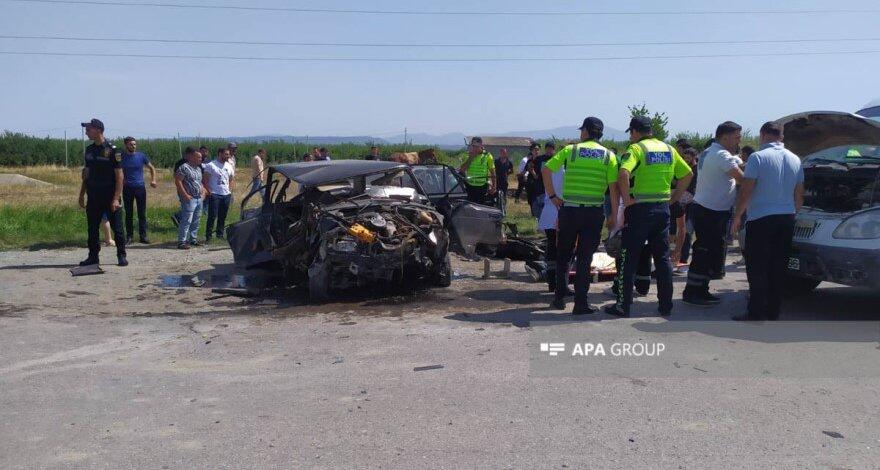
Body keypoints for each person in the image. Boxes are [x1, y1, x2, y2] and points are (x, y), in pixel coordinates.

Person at [605, 116, 693, 318]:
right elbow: (687, 174)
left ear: (635, 131)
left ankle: (622, 306)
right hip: (662, 209)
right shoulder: (669, 149)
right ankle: (665, 306)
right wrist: (674, 198)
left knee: (628, 257)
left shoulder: (636, 149)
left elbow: (623, 174)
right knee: (662, 258)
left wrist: (626, 201)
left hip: (639, 210)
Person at [542, 117, 620, 315]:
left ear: (585, 131)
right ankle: (581, 303)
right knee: (585, 259)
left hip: (569, 210)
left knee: (563, 255)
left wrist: (552, 196)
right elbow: (613, 189)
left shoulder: (571, 150)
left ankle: (559, 298)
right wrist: (613, 215)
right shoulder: (609, 156)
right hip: (593, 213)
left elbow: (546, 169)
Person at [731, 122, 804, 321]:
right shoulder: (795, 159)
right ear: (781, 136)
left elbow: (747, 190)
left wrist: (737, 216)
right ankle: (773, 311)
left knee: (757, 267)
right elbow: (799, 194)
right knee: (778, 266)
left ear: (762, 134)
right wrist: (792, 213)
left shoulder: (757, 157)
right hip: (786, 217)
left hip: (761, 218)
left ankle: (756, 312)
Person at [682, 121, 744, 306]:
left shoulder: (710, 151)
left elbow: (737, 162)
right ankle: (693, 292)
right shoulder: (722, 155)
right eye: (736, 137)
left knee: (705, 251)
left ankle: (701, 289)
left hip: (705, 208)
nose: (738, 141)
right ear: (724, 137)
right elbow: (742, 178)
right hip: (712, 212)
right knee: (705, 252)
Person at [77, 118, 127, 267]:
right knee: (92, 228)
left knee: (117, 228)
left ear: (98, 130)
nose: (86, 132)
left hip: (110, 195)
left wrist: (116, 198)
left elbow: (120, 176)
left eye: (89, 129)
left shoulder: (113, 150)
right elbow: (86, 174)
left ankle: (121, 255)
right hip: (93, 196)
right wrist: (81, 194)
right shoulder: (89, 150)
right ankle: (93, 257)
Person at [120, 136, 157, 244]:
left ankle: (143, 236)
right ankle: (129, 236)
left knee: (142, 213)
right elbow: (117, 171)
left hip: (140, 187)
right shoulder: (122, 157)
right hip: (127, 188)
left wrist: (153, 180)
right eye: (131, 144)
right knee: (129, 213)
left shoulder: (141, 156)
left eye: (135, 144)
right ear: (126, 145)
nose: (134, 146)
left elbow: (152, 168)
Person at [174, 147, 207, 249]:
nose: (200, 159)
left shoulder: (198, 168)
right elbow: (178, 181)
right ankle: (182, 241)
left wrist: (203, 192)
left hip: (199, 198)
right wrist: (185, 195)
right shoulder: (184, 167)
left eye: (201, 157)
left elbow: (199, 182)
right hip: (189, 198)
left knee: (196, 220)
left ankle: (193, 239)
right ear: (192, 157)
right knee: (186, 220)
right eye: (198, 157)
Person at [204, 148, 236, 242]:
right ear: (219, 154)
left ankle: (220, 234)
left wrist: (229, 190)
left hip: (226, 194)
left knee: (222, 216)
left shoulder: (229, 166)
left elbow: (231, 179)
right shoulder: (211, 165)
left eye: (229, 154)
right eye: (226, 154)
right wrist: (209, 191)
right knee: (212, 215)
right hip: (214, 194)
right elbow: (205, 179)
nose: (228, 156)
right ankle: (208, 236)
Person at [459, 137, 496, 205]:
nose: (474, 148)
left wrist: (494, 186)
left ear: (481, 145)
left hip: (482, 187)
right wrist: (470, 158)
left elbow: (492, 172)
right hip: (469, 186)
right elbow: (462, 170)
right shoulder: (467, 155)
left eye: (476, 146)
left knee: (480, 207)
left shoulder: (487, 156)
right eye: (473, 146)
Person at [494, 148, 514, 215]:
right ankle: (497, 209)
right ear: (500, 153)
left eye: (505, 152)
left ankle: (504, 210)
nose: (503, 154)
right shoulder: (496, 161)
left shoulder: (509, 162)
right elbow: (492, 170)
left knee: (504, 195)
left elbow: (512, 170)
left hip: (504, 181)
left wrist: (507, 173)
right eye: (502, 152)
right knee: (497, 195)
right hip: (497, 181)